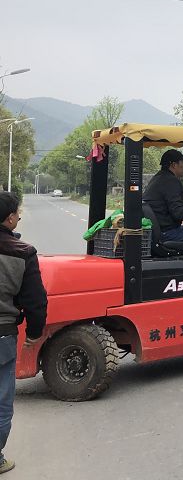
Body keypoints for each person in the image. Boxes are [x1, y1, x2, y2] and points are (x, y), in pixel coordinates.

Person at [0, 192, 47, 474]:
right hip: (3, 336)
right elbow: (35, 300)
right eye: (17, 213)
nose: (19, 217)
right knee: (2, 402)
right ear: (9, 219)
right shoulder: (23, 253)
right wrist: (34, 333)